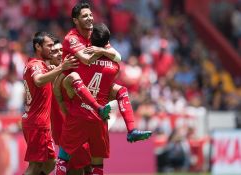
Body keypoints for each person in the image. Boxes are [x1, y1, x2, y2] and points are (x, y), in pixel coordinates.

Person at [55, 2, 152, 175]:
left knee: (120, 90)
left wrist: (101, 49)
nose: (90, 18)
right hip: (68, 89)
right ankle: (100, 109)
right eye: (85, 16)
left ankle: (131, 130)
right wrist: (104, 52)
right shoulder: (71, 38)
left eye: (90, 14)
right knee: (73, 77)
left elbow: (117, 55)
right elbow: (86, 59)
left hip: (88, 91)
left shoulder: (96, 36)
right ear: (75, 21)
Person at [21, 31, 78, 175]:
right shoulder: (35, 65)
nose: (53, 49)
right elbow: (39, 80)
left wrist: (54, 69)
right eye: (49, 45)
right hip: (37, 123)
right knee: (35, 166)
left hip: (39, 123)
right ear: (38, 47)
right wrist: (61, 67)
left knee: (50, 162)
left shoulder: (40, 66)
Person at [49, 38, 92, 175]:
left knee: (86, 167)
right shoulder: (48, 73)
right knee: (76, 169)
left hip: (78, 127)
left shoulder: (75, 72)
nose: (58, 53)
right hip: (63, 130)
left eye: (61, 50)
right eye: (54, 51)